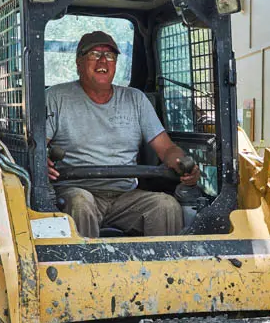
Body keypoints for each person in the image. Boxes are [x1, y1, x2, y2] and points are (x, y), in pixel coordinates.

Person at [46, 30, 199, 238]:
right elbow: (39, 147)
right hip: (77, 189)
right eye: (94, 54)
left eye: (110, 56)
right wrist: (42, 161)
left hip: (125, 195)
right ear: (79, 62)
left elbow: (167, 148)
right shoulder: (56, 97)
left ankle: (164, 270)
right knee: (80, 203)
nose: (103, 61)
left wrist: (182, 164)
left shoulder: (135, 99)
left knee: (166, 205)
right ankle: (85, 269)